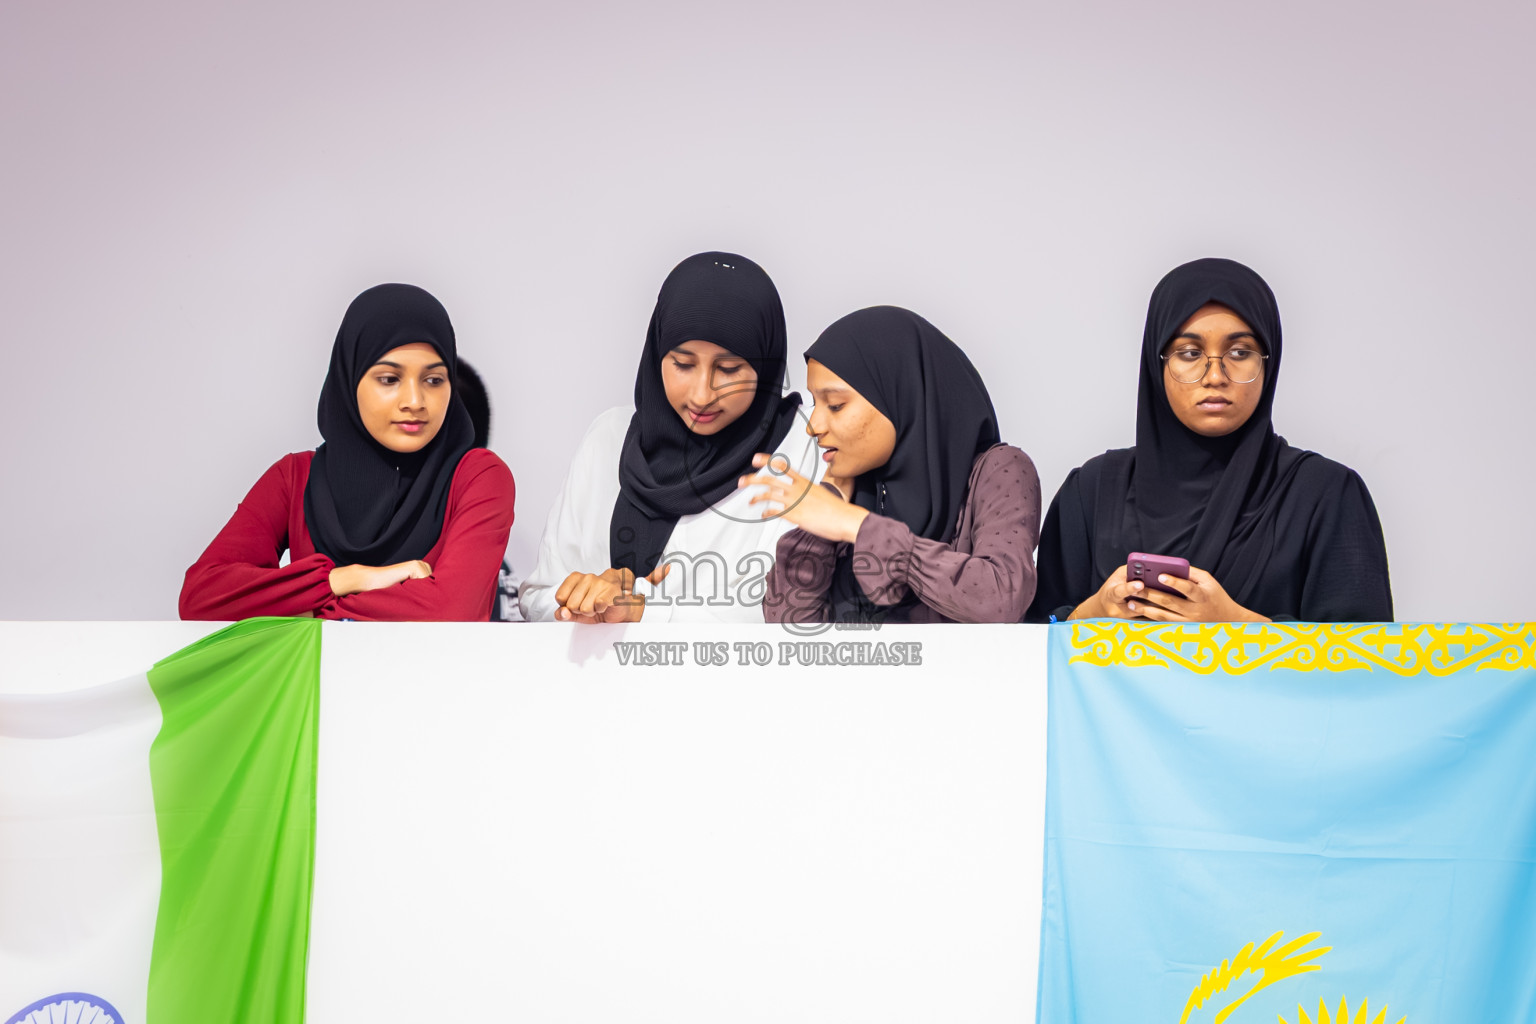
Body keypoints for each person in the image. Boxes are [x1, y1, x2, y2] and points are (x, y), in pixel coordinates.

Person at [1026, 257, 1392, 624]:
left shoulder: (1325, 494)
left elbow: (1366, 653)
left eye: (1240, 352)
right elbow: (1027, 646)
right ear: (1157, 363)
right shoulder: (1090, 492)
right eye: (1189, 353)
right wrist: (1092, 613)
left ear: (1268, 362)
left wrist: (1237, 625)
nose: (1215, 375)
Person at [179, 284, 515, 621]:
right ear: (349, 379)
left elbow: (450, 612)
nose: (415, 401)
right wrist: (346, 578)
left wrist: (303, 609)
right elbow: (201, 597)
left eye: (434, 380)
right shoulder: (295, 479)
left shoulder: (478, 477)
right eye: (389, 379)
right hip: (317, 660)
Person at [518, 251, 820, 623]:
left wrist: (644, 610)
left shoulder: (805, 445)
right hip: (596, 663)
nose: (702, 395)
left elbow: (792, 615)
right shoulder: (609, 438)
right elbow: (537, 599)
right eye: (683, 364)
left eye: (729, 369)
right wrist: (584, 605)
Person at [748, 305, 1040, 624]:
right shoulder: (856, 490)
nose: (813, 426)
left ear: (900, 396)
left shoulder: (999, 471)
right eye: (815, 403)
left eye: (835, 405)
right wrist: (823, 519)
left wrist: (857, 526)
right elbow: (788, 629)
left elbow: (1001, 599)